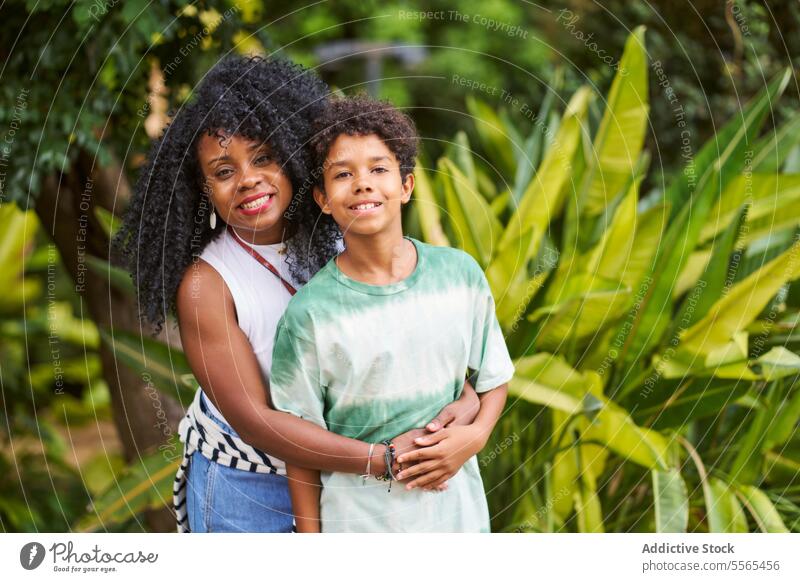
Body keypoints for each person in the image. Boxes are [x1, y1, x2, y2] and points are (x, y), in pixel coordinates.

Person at [115, 56, 482, 533]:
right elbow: (259, 423)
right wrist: (386, 459)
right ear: (202, 189)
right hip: (250, 491)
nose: (248, 178)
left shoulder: (340, 236)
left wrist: (463, 417)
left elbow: (414, 347)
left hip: (350, 480)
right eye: (224, 171)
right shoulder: (209, 285)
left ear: (292, 155)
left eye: (264, 157)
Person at [270, 96, 514, 533]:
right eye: (343, 174)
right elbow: (298, 445)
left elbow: (495, 378)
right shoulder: (310, 315)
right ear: (324, 199)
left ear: (406, 186)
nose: (363, 183)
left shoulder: (459, 275)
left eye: (379, 169)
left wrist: (474, 437)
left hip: (457, 522)